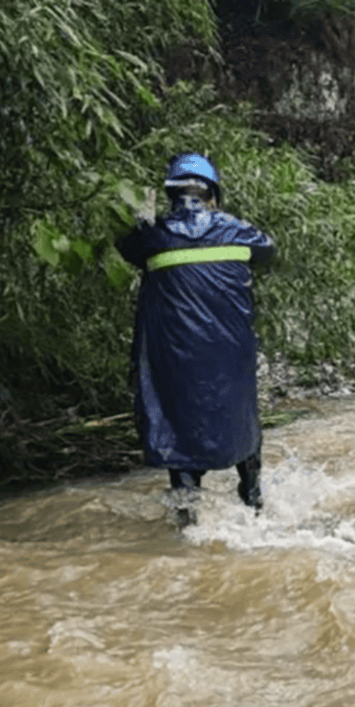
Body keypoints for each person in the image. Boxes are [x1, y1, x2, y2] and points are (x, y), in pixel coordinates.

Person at [117, 153, 276, 514]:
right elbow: (268, 251)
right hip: (231, 352)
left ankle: (188, 516)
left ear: (171, 193)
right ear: (212, 193)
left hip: (177, 353)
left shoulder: (153, 234)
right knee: (241, 416)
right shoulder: (239, 231)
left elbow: (126, 247)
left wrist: (142, 217)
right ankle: (253, 500)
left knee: (176, 420)